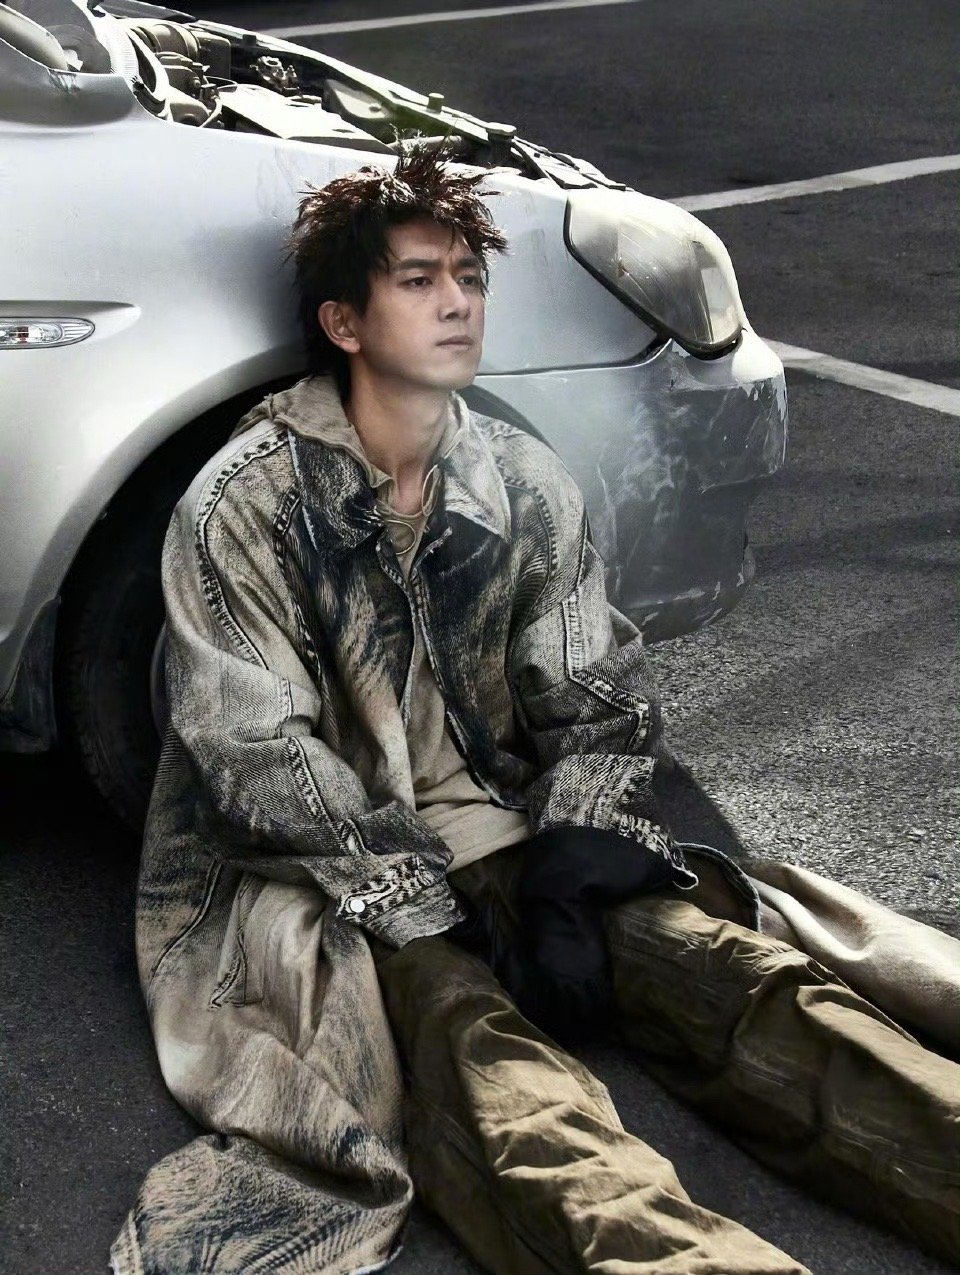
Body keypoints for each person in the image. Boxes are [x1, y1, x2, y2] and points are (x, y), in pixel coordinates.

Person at [112, 144, 959, 1275]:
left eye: (469, 277)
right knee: (511, 1097)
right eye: (419, 280)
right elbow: (251, 751)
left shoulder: (519, 478)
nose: (457, 302)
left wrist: (569, 856)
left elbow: (592, 695)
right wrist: (423, 907)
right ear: (345, 323)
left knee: (751, 988)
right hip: (336, 885)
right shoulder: (246, 501)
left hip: (511, 826)